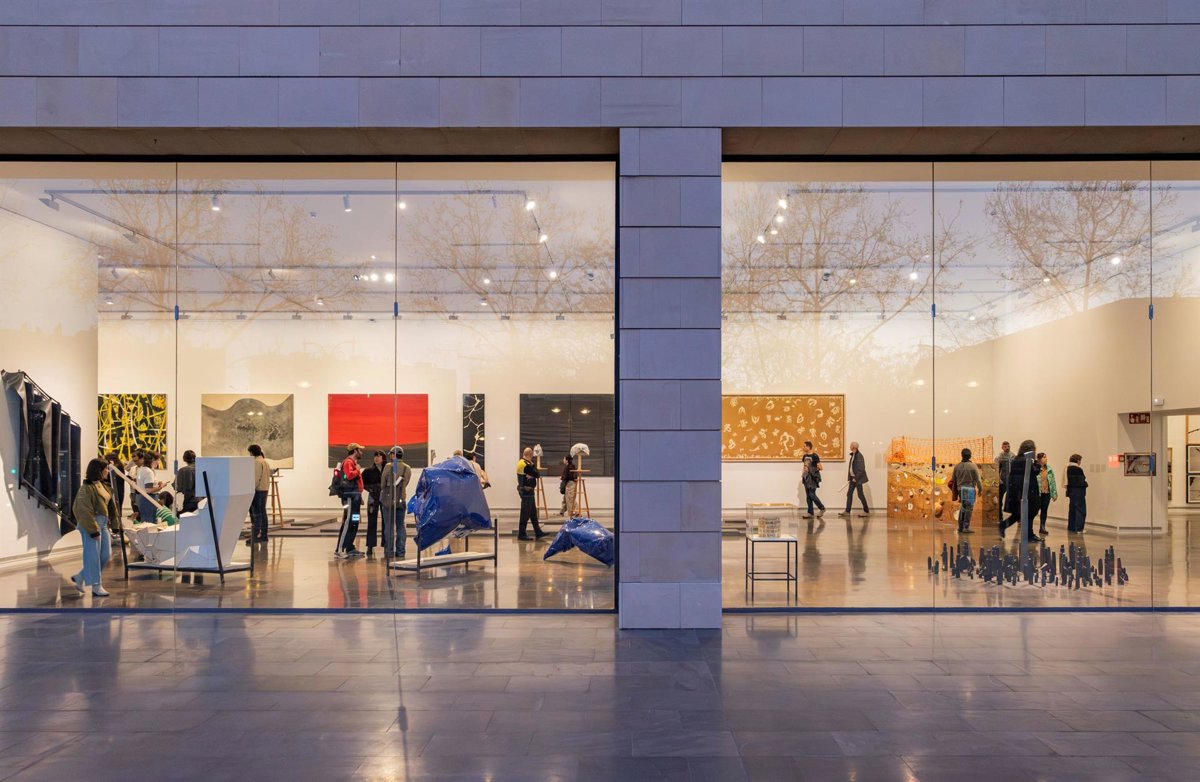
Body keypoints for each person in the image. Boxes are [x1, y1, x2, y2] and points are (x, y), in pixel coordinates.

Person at [70, 458, 117, 597]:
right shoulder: (86, 488)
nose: (107, 471)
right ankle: (96, 586)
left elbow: (110, 507)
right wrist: (93, 530)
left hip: (103, 524)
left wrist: (115, 525)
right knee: (93, 556)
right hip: (92, 525)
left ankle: (81, 576)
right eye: (106, 468)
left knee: (105, 555)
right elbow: (83, 510)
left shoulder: (102, 485)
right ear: (99, 470)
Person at [999, 439, 1042, 542]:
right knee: (1029, 513)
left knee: (1019, 514)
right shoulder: (1026, 460)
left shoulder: (1016, 459)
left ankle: (1027, 533)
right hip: (1026, 491)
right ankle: (1028, 535)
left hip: (1017, 492)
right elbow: (1033, 472)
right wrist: (1038, 464)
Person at [379, 446, 412, 559]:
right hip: (401, 499)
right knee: (401, 526)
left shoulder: (388, 466)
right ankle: (401, 551)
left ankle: (389, 552)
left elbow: (382, 484)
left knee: (389, 526)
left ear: (393, 454)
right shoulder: (407, 468)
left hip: (388, 500)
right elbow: (406, 483)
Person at [336, 444, 365, 558]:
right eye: (360, 450)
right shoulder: (348, 462)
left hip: (355, 497)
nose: (361, 453)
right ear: (355, 451)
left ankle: (350, 547)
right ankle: (340, 550)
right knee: (348, 522)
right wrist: (357, 470)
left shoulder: (353, 463)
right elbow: (349, 476)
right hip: (350, 497)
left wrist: (359, 496)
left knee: (354, 521)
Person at [516, 447, 546, 540]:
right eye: (532, 455)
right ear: (530, 454)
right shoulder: (525, 464)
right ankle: (521, 534)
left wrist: (532, 474)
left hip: (528, 491)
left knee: (533, 513)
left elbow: (534, 474)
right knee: (525, 513)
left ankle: (538, 532)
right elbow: (537, 474)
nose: (532, 457)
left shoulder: (522, 462)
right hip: (526, 492)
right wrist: (533, 466)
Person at [951, 448, 983, 534]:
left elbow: (953, 479)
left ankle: (960, 527)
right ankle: (966, 527)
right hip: (969, 490)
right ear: (970, 456)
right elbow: (978, 479)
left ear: (962, 455)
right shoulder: (973, 466)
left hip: (961, 490)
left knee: (964, 507)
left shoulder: (957, 466)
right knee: (969, 508)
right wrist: (980, 489)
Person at [361, 450, 385, 555]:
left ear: (383, 458)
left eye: (379, 456)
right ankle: (370, 546)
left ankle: (386, 544)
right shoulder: (368, 471)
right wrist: (370, 488)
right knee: (371, 522)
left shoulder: (387, 469)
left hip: (385, 498)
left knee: (386, 522)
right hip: (372, 498)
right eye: (375, 456)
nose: (376, 458)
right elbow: (361, 483)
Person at [247, 444, 270, 543]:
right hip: (265, 489)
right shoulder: (265, 461)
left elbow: (255, 478)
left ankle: (255, 536)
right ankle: (264, 535)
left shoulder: (257, 462)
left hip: (258, 490)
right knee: (263, 513)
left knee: (257, 514)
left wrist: (250, 489)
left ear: (252, 452)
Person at [839, 441, 869, 518]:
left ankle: (866, 511)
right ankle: (847, 511)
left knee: (860, 495)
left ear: (853, 447)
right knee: (849, 494)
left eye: (850, 445)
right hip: (853, 479)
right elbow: (852, 468)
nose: (850, 446)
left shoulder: (859, 455)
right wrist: (850, 478)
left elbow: (861, 469)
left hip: (858, 479)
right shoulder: (853, 455)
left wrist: (856, 478)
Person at [134, 451, 163, 526]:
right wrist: (160, 487)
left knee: (146, 522)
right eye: (158, 460)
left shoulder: (141, 469)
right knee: (149, 524)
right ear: (153, 460)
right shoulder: (149, 472)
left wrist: (157, 483)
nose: (159, 462)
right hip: (148, 500)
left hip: (142, 498)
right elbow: (148, 490)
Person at [1036, 452, 1058, 537]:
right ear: (1039, 459)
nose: (1046, 459)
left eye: (1046, 457)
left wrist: (1054, 493)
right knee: (1034, 511)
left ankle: (1042, 527)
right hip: (1038, 493)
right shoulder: (1035, 468)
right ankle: (1028, 528)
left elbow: (1052, 481)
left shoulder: (1049, 469)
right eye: (1044, 457)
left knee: (1044, 510)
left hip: (1047, 493)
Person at [801, 441, 825, 518]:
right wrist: (803, 474)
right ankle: (810, 512)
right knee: (808, 496)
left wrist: (812, 468)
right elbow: (804, 466)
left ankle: (822, 508)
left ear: (808, 447)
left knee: (812, 494)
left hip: (812, 478)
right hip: (806, 477)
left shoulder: (815, 456)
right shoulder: (804, 456)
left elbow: (821, 467)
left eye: (804, 446)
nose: (803, 448)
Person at [1065, 453, 1088, 533]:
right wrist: (1086, 484)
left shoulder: (1068, 468)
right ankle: (1079, 528)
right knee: (1080, 510)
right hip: (1078, 491)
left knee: (1072, 509)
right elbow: (1081, 481)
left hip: (1071, 491)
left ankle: (1071, 527)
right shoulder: (1078, 469)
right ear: (1078, 460)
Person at [103, 451, 125, 525]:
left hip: (117, 490)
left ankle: (116, 525)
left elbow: (111, 477)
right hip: (116, 490)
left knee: (116, 509)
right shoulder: (116, 466)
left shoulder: (117, 466)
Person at [995, 441, 1013, 524]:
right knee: (1000, 499)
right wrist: (998, 479)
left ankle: (1017, 517)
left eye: (1008, 446)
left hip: (1011, 481)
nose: (1007, 448)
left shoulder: (1013, 456)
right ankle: (1000, 517)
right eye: (1005, 446)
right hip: (1003, 481)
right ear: (1002, 447)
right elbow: (996, 470)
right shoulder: (999, 457)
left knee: (1016, 498)